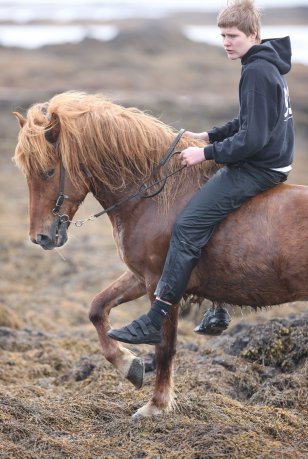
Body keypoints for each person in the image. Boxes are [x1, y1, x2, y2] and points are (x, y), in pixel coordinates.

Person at [108, 0, 294, 345]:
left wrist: (204, 154)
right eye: (222, 35)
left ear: (253, 33)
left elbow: (253, 139)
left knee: (187, 224)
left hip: (259, 166)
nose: (226, 41)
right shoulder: (264, 63)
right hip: (272, 159)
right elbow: (249, 121)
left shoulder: (255, 71)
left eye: (233, 35)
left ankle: (156, 317)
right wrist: (210, 135)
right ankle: (218, 305)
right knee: (201, 204)